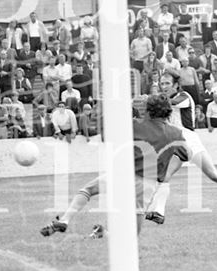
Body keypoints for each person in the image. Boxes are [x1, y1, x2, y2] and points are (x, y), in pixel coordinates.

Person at [40, 94, 189, 237]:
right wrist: (167, 174)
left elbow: (110, 136)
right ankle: (104, 234)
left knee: (87, 190)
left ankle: (66, 220)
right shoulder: (175, 133)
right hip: (146, 184)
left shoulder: (134, 124)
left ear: (149, 110)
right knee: (132, 235)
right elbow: (185, 154)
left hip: (122, 175)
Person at [156, 73, 217, 216]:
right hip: (174, 142)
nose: (164, 87)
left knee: (213, 175)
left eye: (167, 83)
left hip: (189, 141)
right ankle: (158, 212)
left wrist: (152, 101)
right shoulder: (163, 102)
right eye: (162, 84)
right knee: (164, 176)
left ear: (176, 85)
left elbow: (172, 103)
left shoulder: (184, 96)